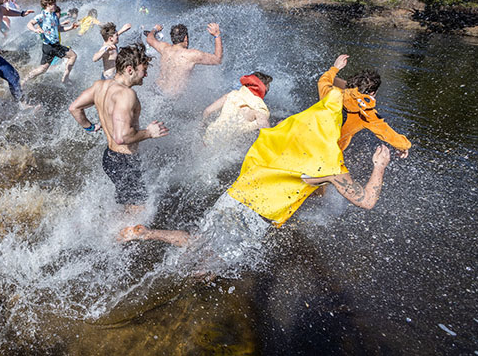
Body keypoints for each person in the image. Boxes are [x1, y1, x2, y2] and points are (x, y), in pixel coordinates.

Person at [120, 87, 393, 249]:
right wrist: (378, 166)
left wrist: (339, 75)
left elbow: (333, 90)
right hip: (256, 214)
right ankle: (148, 234)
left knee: (202, 241)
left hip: (237, 195)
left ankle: (148, 233)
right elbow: (367, 201)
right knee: (210, 260)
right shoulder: (330, 163)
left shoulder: (291, 129)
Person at [68, 43, 170, 216]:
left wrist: (90, 127)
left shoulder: (100, 86)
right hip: (124, 161)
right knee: (139, 214)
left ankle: (108, 234)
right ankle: (112, 236)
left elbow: (74, 108)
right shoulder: (126, 94)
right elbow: (121, 137)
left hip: (110, 158)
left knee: (129, 209)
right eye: (143, 70)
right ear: (130, 69)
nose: (146, 74)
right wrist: (149, 133)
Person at [318, 54, 411, 157]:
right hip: (327, 155)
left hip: (304, 143)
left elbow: (323, 81)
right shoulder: (367, 113)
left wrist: (335, 68)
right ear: (372, 93)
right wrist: (403, 146)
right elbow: (386, 133)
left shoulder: (331, 93)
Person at [145, 22, 223, 96]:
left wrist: (155, 29)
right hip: (169, 99)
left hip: (154, 90)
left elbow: (149, 39)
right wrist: (217, 35)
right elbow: (217, 59)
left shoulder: (164, 48)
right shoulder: (192, 55)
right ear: (185, 38)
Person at [202, 72, 272, 146]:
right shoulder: (259, 106)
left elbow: (207, 111)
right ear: (263, 89)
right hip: (230, 144)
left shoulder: (232, 94)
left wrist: (202, 126)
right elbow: (263, 122)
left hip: (210, 136)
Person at [23, 0, 79, 84]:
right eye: (54, 4)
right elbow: (29, 23)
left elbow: (59, 29)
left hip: (54, 45)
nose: (56, 6)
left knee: (43, 69)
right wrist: (35, 30)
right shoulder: (42, 15)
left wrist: (71, 27)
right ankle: (65, 78)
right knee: (73, 56)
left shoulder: (55, 16)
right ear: (48, 5)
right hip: (49, 45)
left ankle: (25, 80)